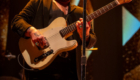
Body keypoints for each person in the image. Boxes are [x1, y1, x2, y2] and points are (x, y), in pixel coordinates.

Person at [11, 0, 96, 80]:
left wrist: (85, 35)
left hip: (69, 72)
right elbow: (16, 21)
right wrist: (32, 31)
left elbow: (91, 42)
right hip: (39, 70)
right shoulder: (38, 3)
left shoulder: (80, 12)